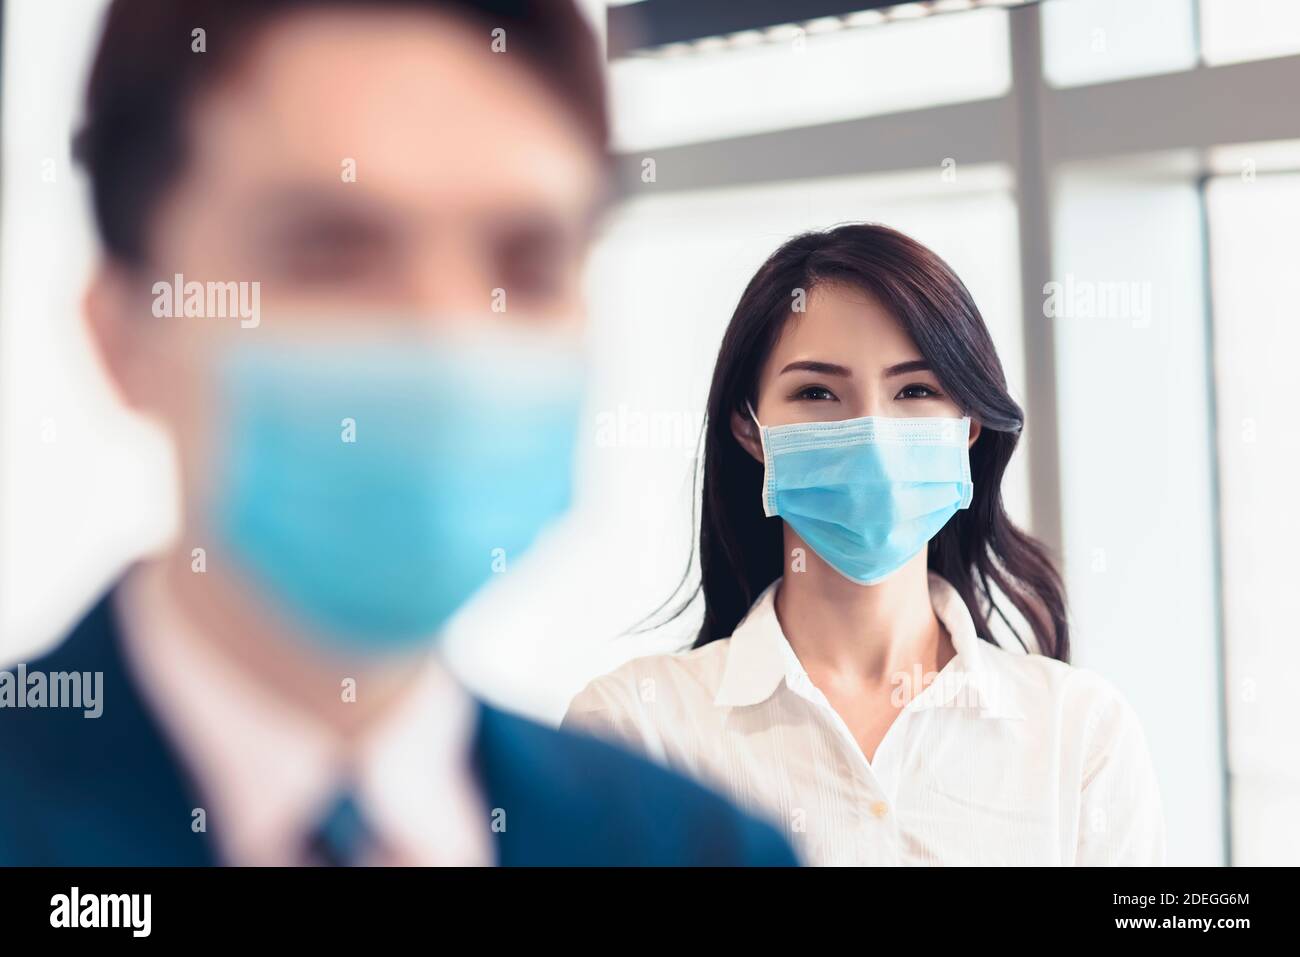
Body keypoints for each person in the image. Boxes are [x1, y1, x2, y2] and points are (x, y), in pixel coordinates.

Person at [0, 0, 797, 867]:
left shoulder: (703, 849)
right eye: (331, 255)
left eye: (523, 265)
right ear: (122, 334)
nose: (451, 339)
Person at [564, 224, 1166, 866]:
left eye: (916, 391)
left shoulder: (1081, 735)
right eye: (817, 393)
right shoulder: (635, 732)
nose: (873, 435)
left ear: (967, 428)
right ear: (750, 429)